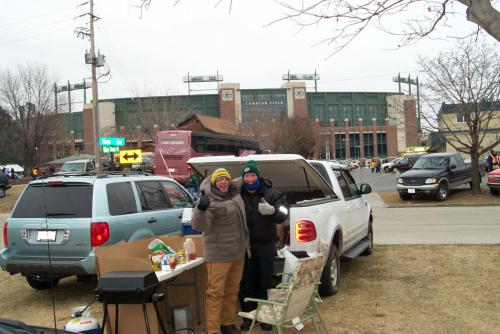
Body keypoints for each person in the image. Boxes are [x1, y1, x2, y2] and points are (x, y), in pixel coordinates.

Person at [192, 168, 249, 334]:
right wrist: (200, 210)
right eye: (219, 180)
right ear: (213, 182)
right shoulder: (208, 200)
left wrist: (251, 168)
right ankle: (213, 330)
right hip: (219, 255)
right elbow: (200, 226)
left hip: (238, 252)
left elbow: (243, 178)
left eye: (226, 179)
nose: (223, 182)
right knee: (215, 294)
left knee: (232, 290)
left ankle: (228, 324)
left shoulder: (234, 193)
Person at [238, 160, 288, 331]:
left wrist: (274, 211)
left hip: (266, 245)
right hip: (245, 247)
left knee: (266, 281)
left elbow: (284, 213)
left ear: (257, 176)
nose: (249, 179)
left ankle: (267, 316)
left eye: (252, 175)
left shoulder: (271, 193)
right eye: (246, 176)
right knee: (246, 282)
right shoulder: (238, 194)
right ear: (243, 177)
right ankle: (249, 316)